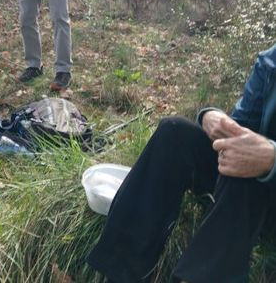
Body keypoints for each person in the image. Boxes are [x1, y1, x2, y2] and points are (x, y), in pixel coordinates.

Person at [87, 43, 276, 283]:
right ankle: (120, 272)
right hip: (255, 190)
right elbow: (243, 126)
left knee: (244, 172)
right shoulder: (272, 60)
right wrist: (210, 117)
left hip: (259, 192)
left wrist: (271, 159)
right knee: (174, 133)